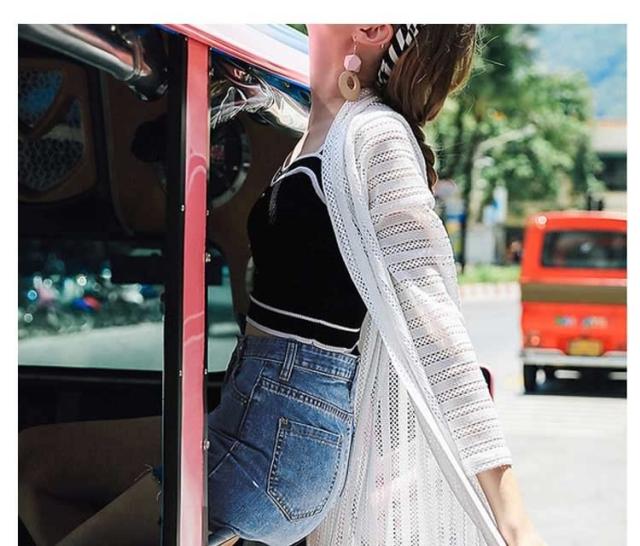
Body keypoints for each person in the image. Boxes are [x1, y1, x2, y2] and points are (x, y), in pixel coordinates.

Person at [19, 24, 546, 546]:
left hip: (276, 444)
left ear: (372, 28)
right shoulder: (323, 128)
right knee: (30, 463)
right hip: (254, 418)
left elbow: (437, 332)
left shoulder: (377, 136)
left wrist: (515, 525)